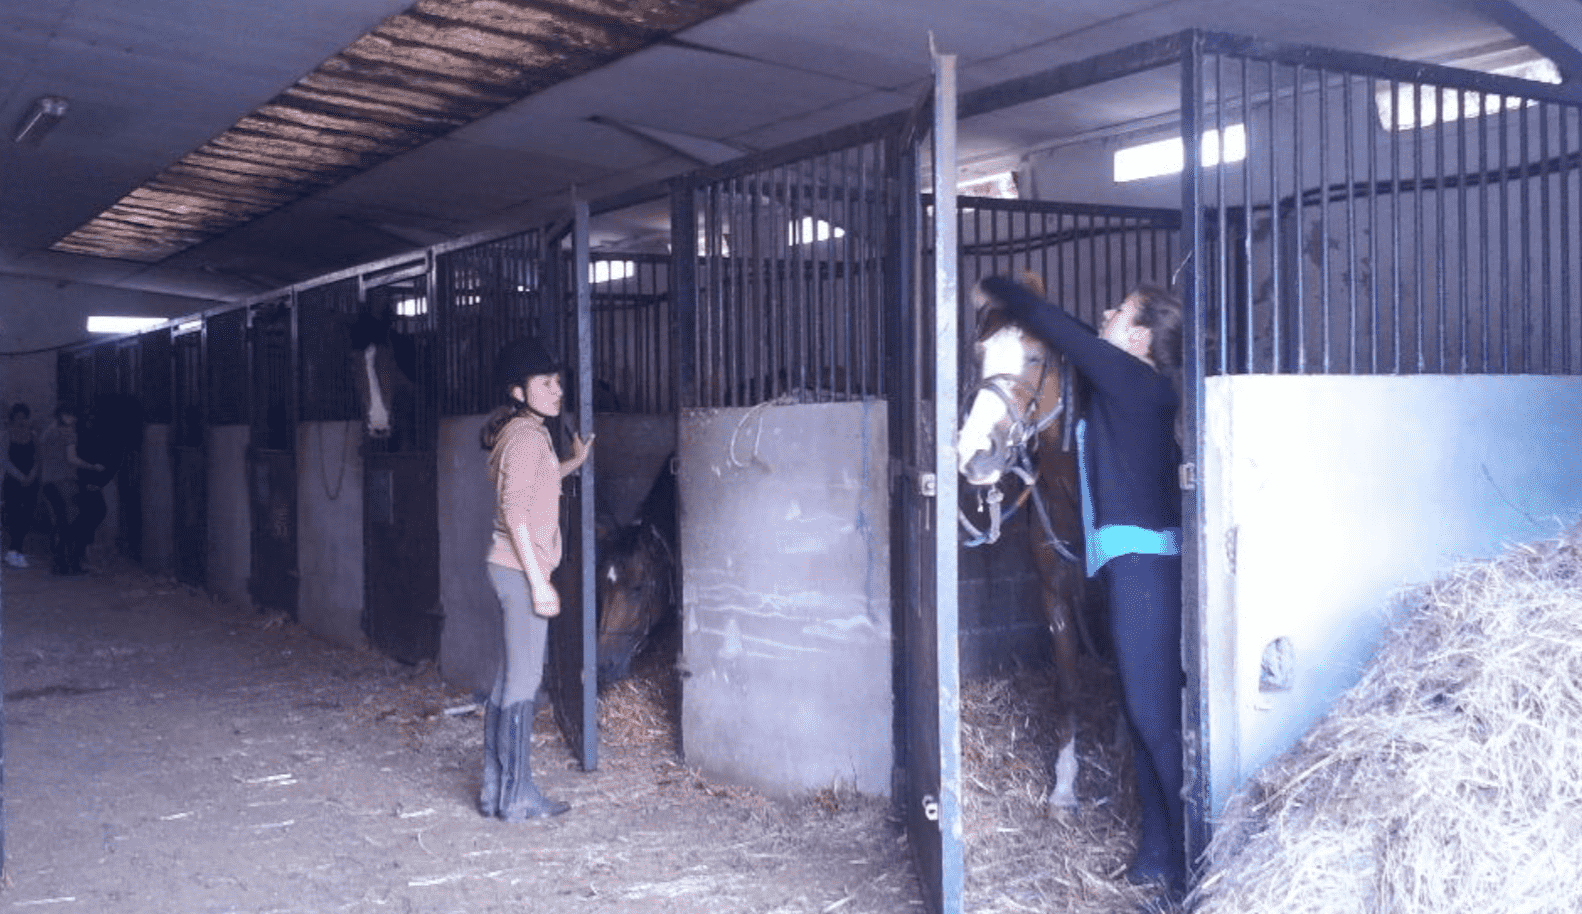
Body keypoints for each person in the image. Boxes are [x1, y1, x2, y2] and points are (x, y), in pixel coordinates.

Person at [976, 275, 1189, 900]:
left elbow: (1060, 329)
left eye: (1121, 310)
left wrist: (999, 289)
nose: (1107, 311)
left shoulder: (1133, 380)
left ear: (1141, 337)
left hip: (1146, 567)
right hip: (1131, 566)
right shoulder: (1130, 383)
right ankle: (1156, 854)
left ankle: (1188, 862)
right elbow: (1068, 338)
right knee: (1141, 715)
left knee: (1155, 721)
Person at [476, 336, 593, 821]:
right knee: (524, 681)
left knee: (509, 678)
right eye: (545, 383)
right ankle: (517, 794)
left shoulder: (523, 433)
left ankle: (494, 791)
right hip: (520, 570)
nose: (557, 390)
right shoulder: (526, 438)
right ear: (518, 392)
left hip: (507, 567)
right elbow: (516, 513)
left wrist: (573, 464)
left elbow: (533, 485)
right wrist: (540, 583)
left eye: (557, 382)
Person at [38, 405, 102, 575]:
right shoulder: (68, 433)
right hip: (64, 482)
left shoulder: (47, 432)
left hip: (47, 481)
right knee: (74, 519)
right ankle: (73, 561)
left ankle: (60, 563)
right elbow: (72, 459)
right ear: (64, 415)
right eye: (72, 415)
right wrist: (93, 466)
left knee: (59, 521)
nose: (74, 419)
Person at [3, 403, 41, 567]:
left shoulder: (32, 436)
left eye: (24, 417)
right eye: (18, 417)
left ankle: (17, 549)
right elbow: (4, 460)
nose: (21, 420)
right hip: (13, 481)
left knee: (27, 514)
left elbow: (37, 458)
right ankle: (14, 549)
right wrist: (20, 476)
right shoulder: (6, 435)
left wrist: (32, 474)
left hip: (31, 481)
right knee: (14, 514)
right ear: (13, 418)